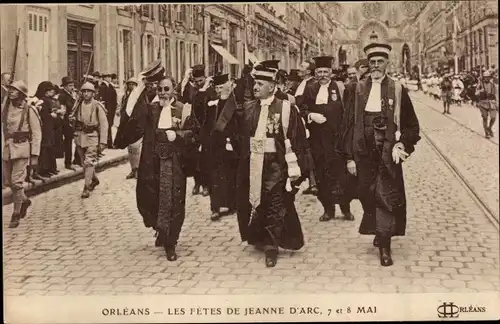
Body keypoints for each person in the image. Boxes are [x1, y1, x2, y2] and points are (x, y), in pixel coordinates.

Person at [341, 41, 421, 266]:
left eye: (380, 62)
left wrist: (403, 144)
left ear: (387, 63)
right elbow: (346, 125)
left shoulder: (397, 89)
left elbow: (411, 125)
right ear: (367, 63)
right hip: (362, 151)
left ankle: (385, 245)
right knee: (367, 195)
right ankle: (379, 230)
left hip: (387, 151)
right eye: (372, 62)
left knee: (385, 195)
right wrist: (349, 157)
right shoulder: (355, 89)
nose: (375, 66)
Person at [235, 60, 310, 267]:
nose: (255, 87)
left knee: (275, 204)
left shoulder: (286, 109)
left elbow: (298, 141)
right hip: (254, 163)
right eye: (254, 84)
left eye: (260, 84)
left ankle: (271, 246)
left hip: (276, 165)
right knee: (258, 202)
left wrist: (296, 171)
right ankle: (260, 237)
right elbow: (240, 136)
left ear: (272, 86)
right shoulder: (249, 108)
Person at [116, 75, 200, 261]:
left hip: (174, 163)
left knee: (174, 201)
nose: (162, 93)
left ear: (174, 90)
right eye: (160, 89)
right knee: (153, 198)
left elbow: (194, 134)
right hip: (153, 163)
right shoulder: (151, 110)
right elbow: (132, 115)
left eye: (167, 89)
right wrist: (139, 87)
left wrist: (177, 136)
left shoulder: (183, 109)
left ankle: (171, 242)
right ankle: (160, 230)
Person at [299, 56, 354, 222]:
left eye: (325, 72)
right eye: (319, 72)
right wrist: (310, 115)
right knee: (322, 175)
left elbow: (348, 112)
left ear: (330, 73)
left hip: (337, 141)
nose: (322, 75)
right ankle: (328, 209)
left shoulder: (340, 88)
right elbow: (301, 109)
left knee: (342, 177)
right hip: (318, 141)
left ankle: (345, 208)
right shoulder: (309, 88)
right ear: (315, 73)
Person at [2, 80, 42, 228]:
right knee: (9, 182)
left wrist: (35, 155)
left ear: (21, 93)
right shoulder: (6, 108)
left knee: (16, 182)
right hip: (7, 149)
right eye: (10, 89)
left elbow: (37, 134)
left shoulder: (29, 110)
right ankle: (24, 200)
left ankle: (16, 214)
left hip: (22, 148)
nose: (10, 92)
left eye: (14, 90)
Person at [204, 74, 240, 221]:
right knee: (215, 176)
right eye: (217, 87)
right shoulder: (212, 104)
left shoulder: (235, 102)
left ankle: (232, 204)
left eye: (221, 86)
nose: (219, 90)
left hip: (231, 144)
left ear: (229, 85)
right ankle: (215, 207)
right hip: (216, 145)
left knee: (231, 174)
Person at [70, 82, 108, 198]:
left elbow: (104, 124)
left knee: (89, 162)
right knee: (84, 163)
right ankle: (94, 179)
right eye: (84, 91)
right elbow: (73, 118)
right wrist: (71, 119)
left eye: (89, 92)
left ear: (93, 93)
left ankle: (86, 188)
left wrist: (103, 142)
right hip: (80, 137)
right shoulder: (78, 104)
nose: (86, 94)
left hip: (92, 136)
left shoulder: (97, 106)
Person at [192, 65, 217, 197]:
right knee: (194, 159)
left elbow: (209, 112)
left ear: (205, 79)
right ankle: (197, 183)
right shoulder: (194, 92)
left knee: (206, 159)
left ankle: (206, 185)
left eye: (200, 81)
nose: (198, 84)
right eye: (196, 81)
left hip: (207, 130)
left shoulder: (211, 92)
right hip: (195, 129)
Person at [119, 77, 142, 179]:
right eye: (129, 84)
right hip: (127, 125)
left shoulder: (139, 97)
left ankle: (138, 169)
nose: (131, 86)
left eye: (133, 84)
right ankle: (133, 169)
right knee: (130, 148)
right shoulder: (125, 96)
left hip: (137, 125)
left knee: (136, 147)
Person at [34, 81, 58, 178]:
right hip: (46, 128)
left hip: (47, 128)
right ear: (46, 91)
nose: (52, 92)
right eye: (50, 90)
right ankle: (44, 170)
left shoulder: (44, 100)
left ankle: (47, 169)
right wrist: (52, 115)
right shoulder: (44, 101)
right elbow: (44, 115)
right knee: (45, 148)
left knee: (47, 148)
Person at [58, 76, 79, 170]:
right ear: (65, 86)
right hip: (66, 122)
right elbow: (64, 109)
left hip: (72, 121)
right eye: (70, 85)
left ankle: (75, 160)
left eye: (73, 85)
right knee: (68, 142)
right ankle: (68, 163)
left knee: (73, 141)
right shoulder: (62, 95)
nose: (72, 87)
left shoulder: (71, 94)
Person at [476, 70, 498, 138]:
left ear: (490, 77)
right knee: (485, 117)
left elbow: (496, 94)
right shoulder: (480, 84)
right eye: (485, 77)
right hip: (483, 103)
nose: (486, 78)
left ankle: (489, 128)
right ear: (483, 77)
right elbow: (475, 93)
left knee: (493, 117)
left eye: (488, 77)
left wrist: (497, 102)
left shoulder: (493, 85)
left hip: (491, 102)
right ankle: (486, 132)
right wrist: (480, 91)